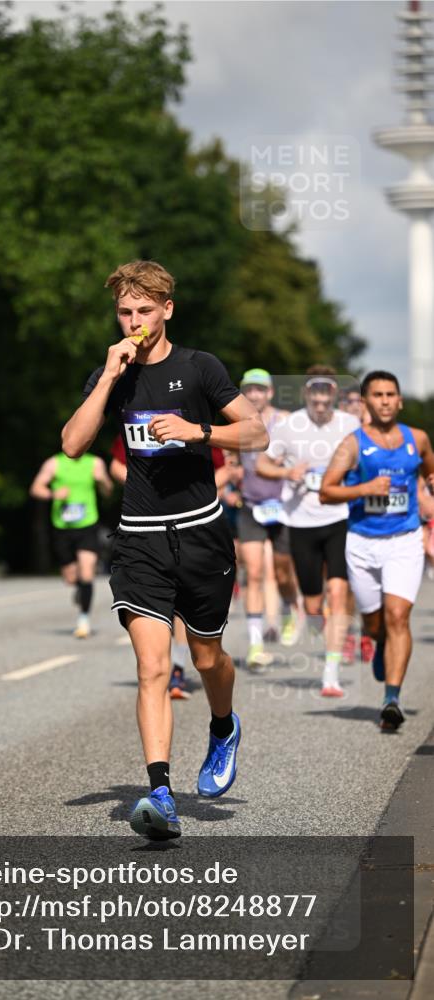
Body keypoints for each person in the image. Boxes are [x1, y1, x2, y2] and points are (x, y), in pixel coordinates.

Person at [62, 260, 268, 840]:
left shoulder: (200, 367)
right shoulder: (114, 375)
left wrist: (196, 431)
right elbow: (73, 445)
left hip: (202, 534)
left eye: (145, 311)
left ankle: (223, 726)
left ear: (167, 310)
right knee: (153, 667)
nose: (135, 322)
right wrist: (108, 378)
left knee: (207, 659)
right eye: (125, 312)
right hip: (140, 540)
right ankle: (160, 793)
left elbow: (256, 432)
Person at [320, 370, 434, 730]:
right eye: (377, 395)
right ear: (366, 402)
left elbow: (429, 469)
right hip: (362, 543)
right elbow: (326, 491)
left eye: (390, 394)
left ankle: (391, 699)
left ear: (399, 401)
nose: (384, 401)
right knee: (374, 624)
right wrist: (365, 488)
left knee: (398, 616)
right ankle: (378, 641)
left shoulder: (417, 438)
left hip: (405, 539)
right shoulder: (352, 444)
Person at [256, 365, 359, 697]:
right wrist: (286, 473)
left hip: (339, 516)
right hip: (300, 521)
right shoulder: (289, 427)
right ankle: (318, 624)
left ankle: (331, 674)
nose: (320, 399)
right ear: (306, 393)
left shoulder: (350, 425)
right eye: (314, 392)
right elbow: (262, 463)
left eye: (326, 393)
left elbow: (366, 459)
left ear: (334, 394)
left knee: (338, 592)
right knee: (313, 606)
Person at [109, 432, 232, 699]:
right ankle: (175, 669)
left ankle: (182, 670)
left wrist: (196, 490)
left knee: (204, 652)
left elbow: (224, 468)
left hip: (195, 530)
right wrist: (144, 486)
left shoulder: (193, 419)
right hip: (147, 533)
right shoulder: (135, 415)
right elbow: (116, 465)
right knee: (164, 618)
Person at [236, 369, 300, 668]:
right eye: (249, 389)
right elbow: (231, 459)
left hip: (283, 506)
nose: (254, 395)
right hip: (251, 506)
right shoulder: (237, 421)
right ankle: (255, 644)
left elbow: (302, 454)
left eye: (259, 389)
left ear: (270, 393)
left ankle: (289, 606)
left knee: (283, 573)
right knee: (254, 573)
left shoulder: (285, 421)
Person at [30, 450, 113, 638]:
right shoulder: (54, 463)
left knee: (87, 572)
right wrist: (53, 494)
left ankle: (83, 620)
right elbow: (36, 488)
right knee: (70, 577)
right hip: (62, 527)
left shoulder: (95, 463)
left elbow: (108, 491)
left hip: (88, 524)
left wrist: (102, 481)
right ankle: (80, 588)